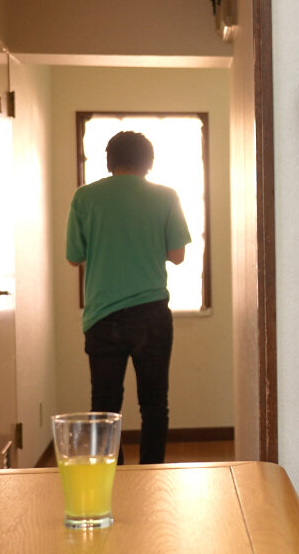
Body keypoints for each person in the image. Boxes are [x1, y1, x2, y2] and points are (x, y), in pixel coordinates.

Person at [65, 131, 191, 465]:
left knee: (104, 407)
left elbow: (74, 256)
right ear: (148, 161)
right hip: (151, 315)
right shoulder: (166, 196)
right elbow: (177, 255)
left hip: (101, 317)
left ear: (110, 160)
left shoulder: (85, 197)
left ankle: (112, 478)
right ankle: (152, 474)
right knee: (154, 404)